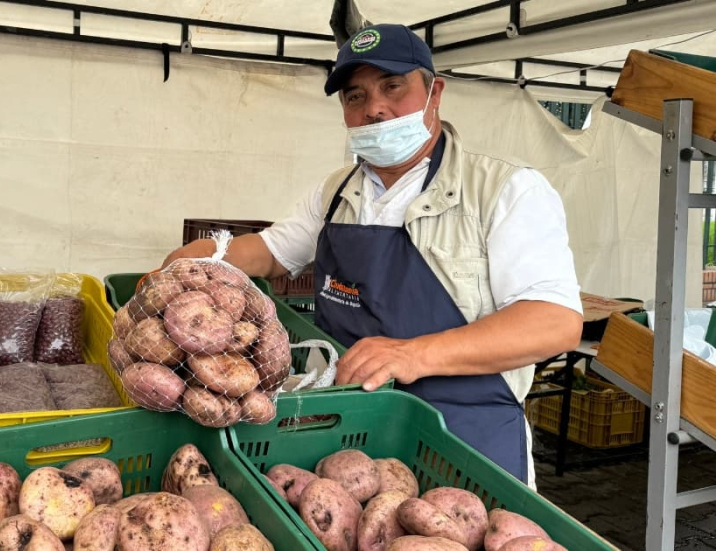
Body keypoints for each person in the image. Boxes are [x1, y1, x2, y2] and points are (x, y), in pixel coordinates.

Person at [162, 23, 584, 488]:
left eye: (392, 86)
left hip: (464, 442)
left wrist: (413, 354)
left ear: (434, 92)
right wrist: (212, 252)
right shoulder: (336, 191)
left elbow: (554, 322)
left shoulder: (505, 190)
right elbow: (270, 252)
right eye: (355, 96)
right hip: (345, 436)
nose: (374, 109)